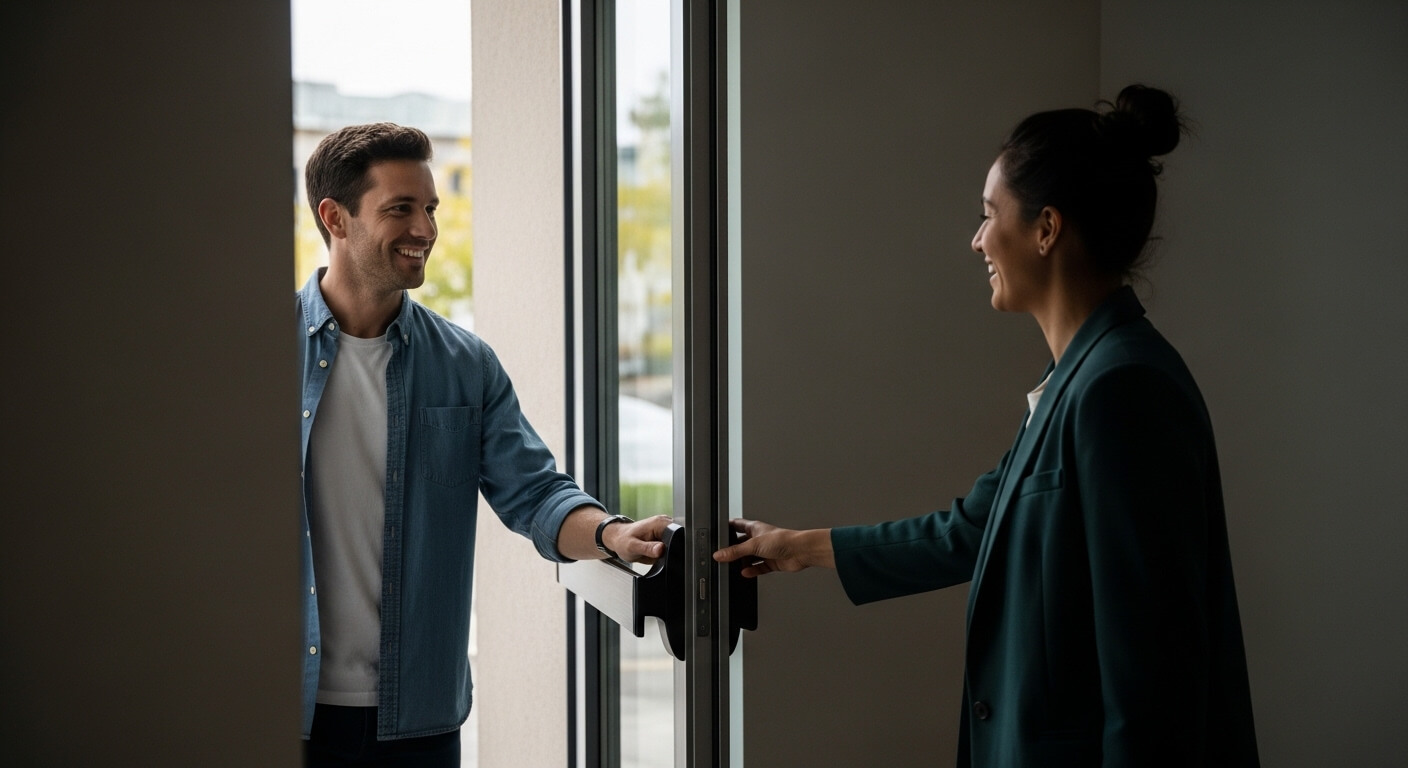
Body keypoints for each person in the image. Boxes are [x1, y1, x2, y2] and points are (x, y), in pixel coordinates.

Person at [714, 86, 1260, 767]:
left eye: (988, 216)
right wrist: (797, 546)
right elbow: (971, 528)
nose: (977, 241)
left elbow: (1153, 673)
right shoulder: (1078, 380)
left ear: (1046, 229)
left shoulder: (1123, 389)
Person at [297, 122, 670, 767]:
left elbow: (535, 493)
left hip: (417, 719)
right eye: (400, 209)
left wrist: (612, 534)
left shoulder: (465, 364)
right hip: (289, 713)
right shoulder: (250, 360)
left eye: (431, 208)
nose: (425, 229)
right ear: (335, 217)